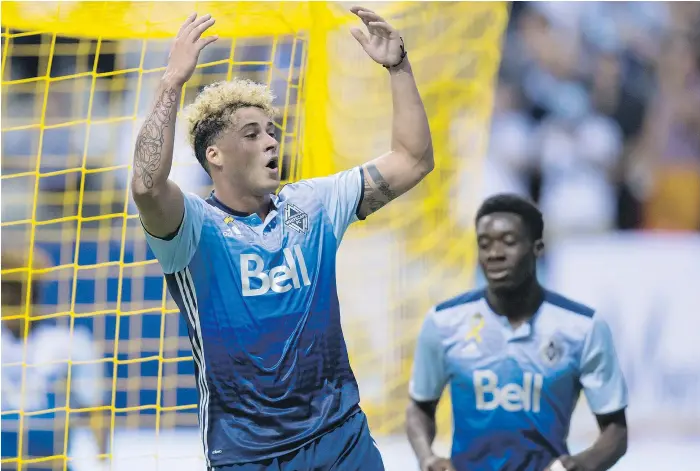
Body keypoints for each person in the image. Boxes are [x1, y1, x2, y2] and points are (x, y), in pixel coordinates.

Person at [130, 6, 432, 471]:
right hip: (249, 454)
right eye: (252, 135)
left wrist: (399, 66)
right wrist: (171, 82)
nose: (272, 142)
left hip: (341, 439)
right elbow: (147, 185)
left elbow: (412, 160)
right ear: (215, 156)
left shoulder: (313, 203)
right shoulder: (192, 227)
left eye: (272, 131)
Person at [405, 194, 628, 471]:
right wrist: (428, 458)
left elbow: (616, 430)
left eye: (508, 242)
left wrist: (580, 465)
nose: (494, 254)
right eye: (484, 244)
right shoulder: (444, 322)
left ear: (537, 248)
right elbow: (419, 407)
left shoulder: (582, 327)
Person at [1, 250, 108, 471]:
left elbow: (95, 408)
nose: (7, 301)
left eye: (14, 292)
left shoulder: (69, 345)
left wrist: (103, 457)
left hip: (50, 462)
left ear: (33, 294)